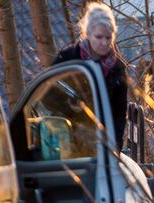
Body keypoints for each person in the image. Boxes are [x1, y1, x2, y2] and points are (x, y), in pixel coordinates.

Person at [52, 2, 128, 150]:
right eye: (99, 37)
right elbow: (50, 97)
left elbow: (119, 113)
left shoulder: (117, 68)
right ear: (87, 34)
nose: (104, 42)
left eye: (108, 37)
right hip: (68, 143)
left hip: (102, 145)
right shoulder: (66, 59)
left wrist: (115, 147)